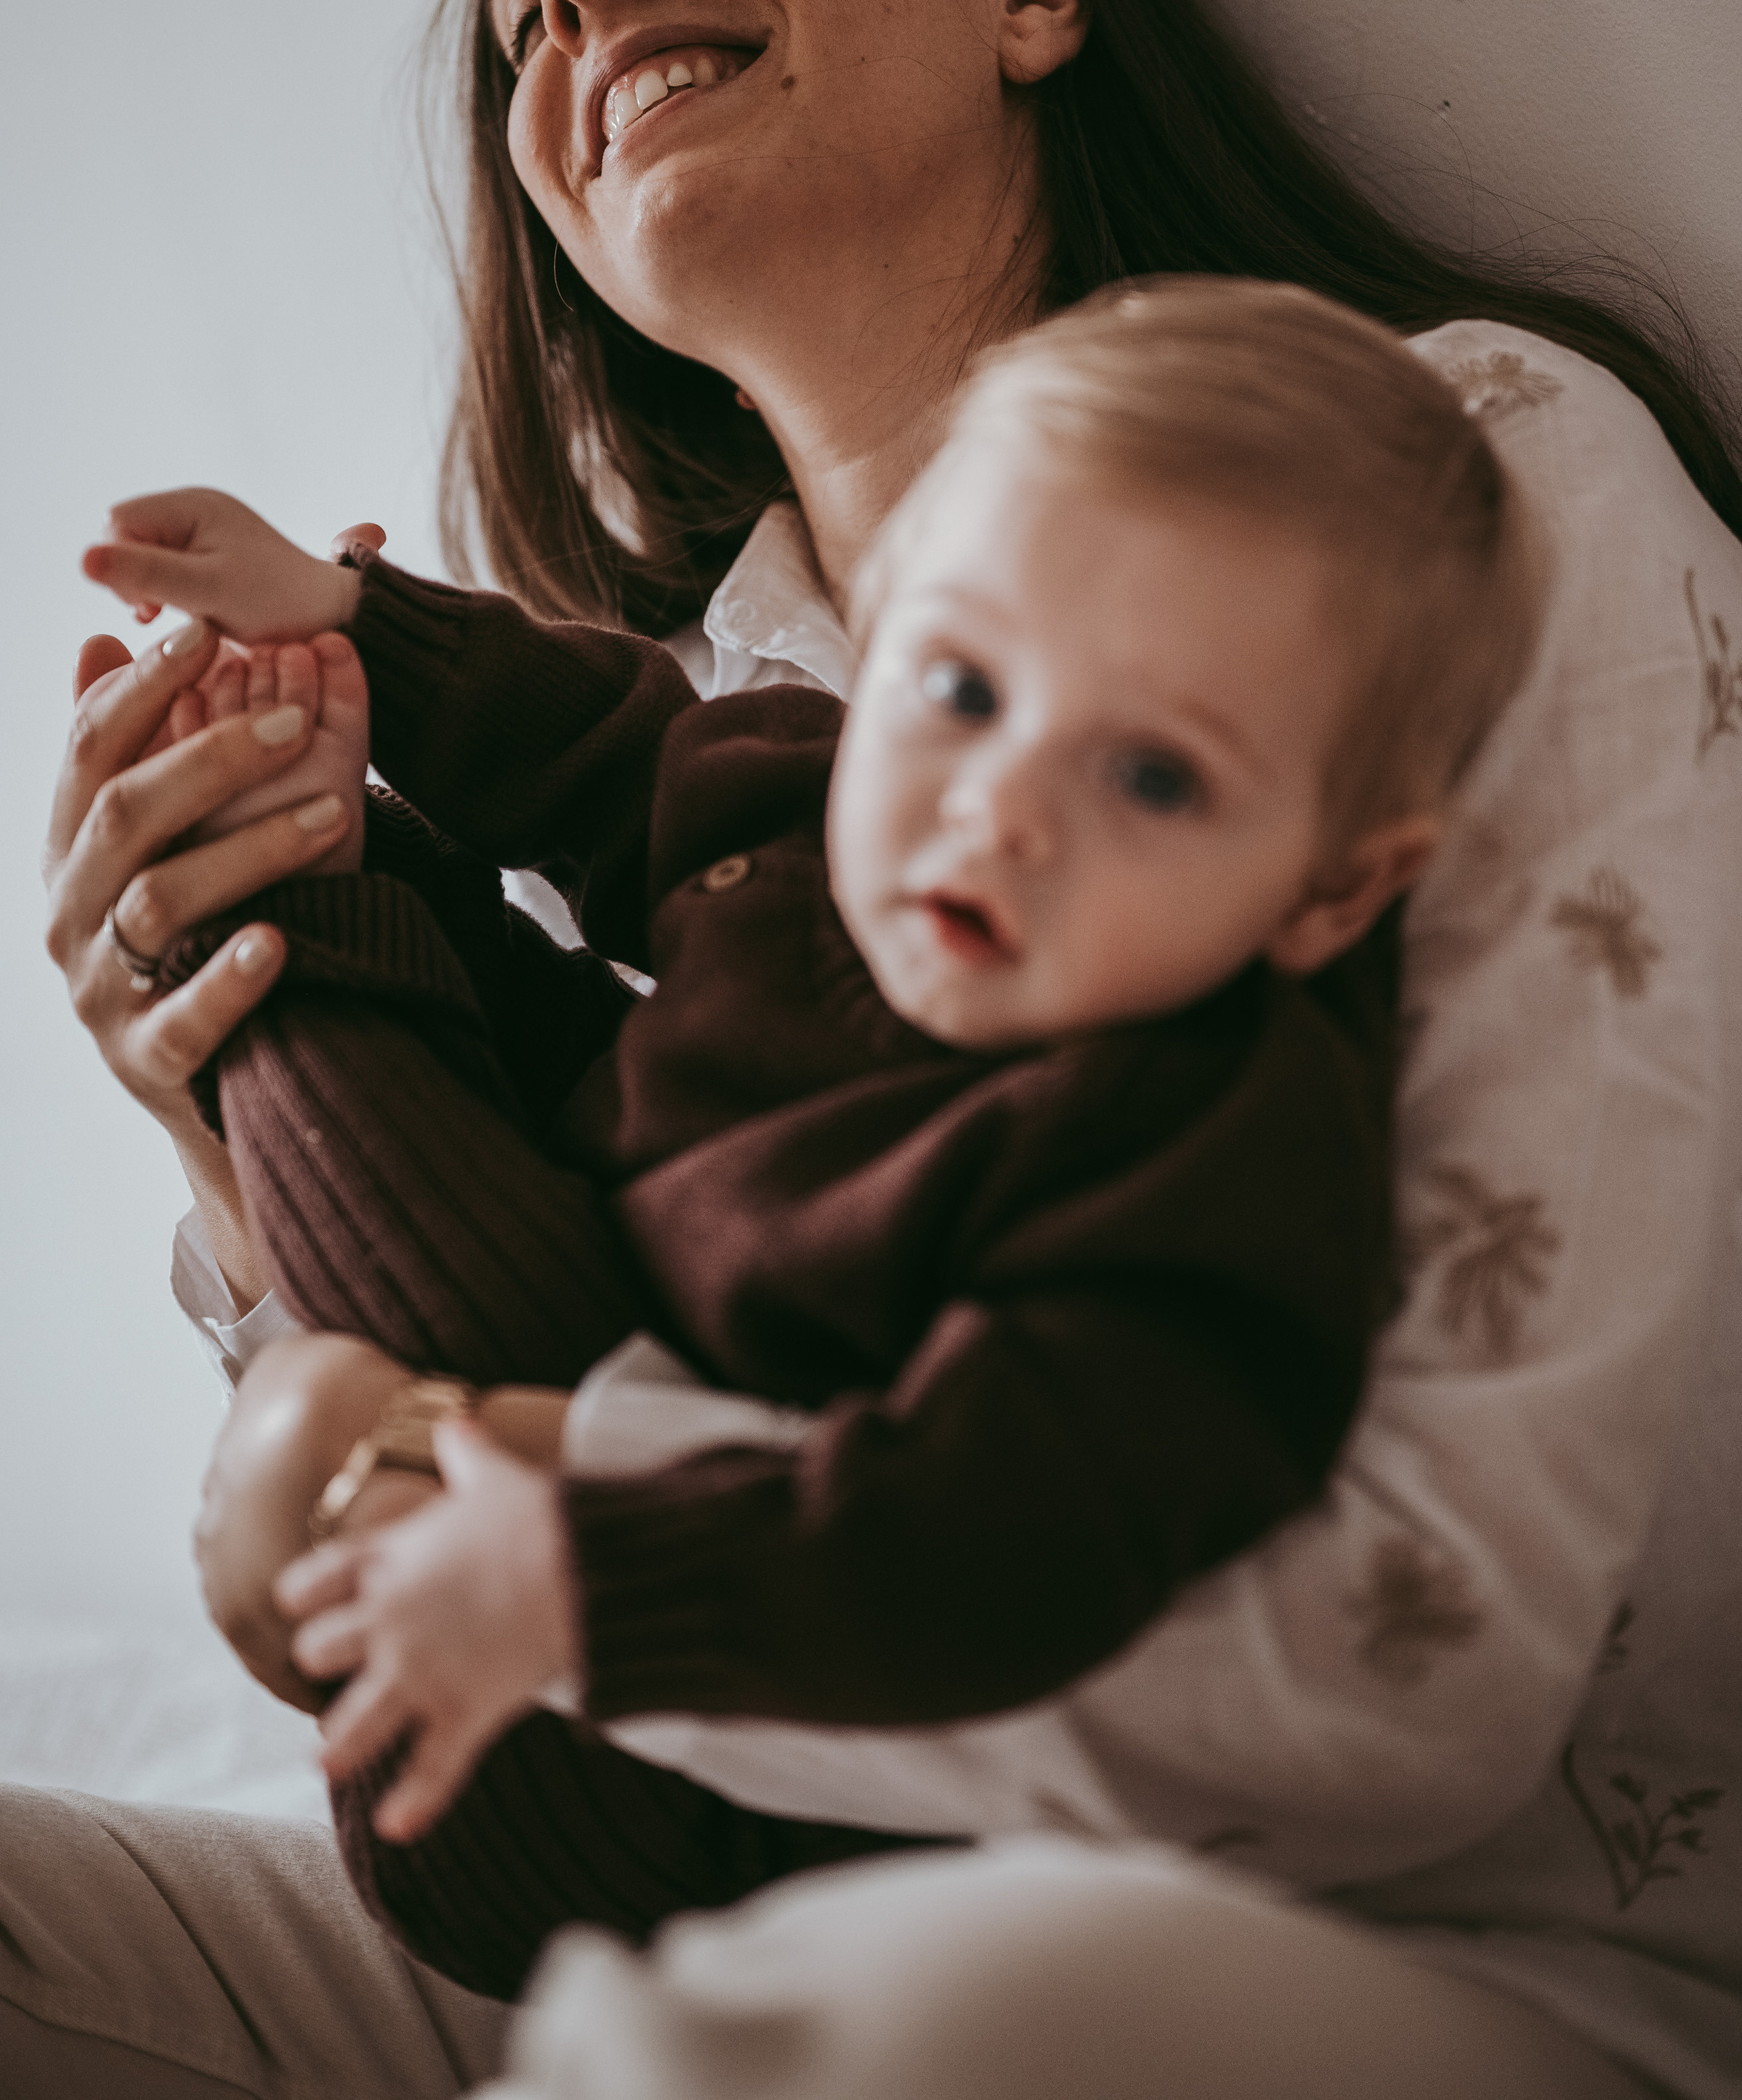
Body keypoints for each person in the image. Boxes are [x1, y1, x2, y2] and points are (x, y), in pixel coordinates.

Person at [19, 0, 1742, 2100]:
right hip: (722, 1839)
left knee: (833, 2037)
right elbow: (478, 1354)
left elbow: (1424, 1666)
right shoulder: (688, 733)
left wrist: (557, 1515)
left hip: (1453, 1944)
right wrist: (233, 1056)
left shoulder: (1449, 482)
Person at [81, 283, 1540, 1997]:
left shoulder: (1199, 1135)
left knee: (305, 1003)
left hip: (700, 1805)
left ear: (1330, 889)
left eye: (1151, 779)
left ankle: (287, 900)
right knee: (416, 932)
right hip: (607, 1250)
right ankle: (294, 851)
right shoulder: (825, 794)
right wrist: (350, 626)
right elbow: (609, 746)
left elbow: (988, 1534)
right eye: (962, 682)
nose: (997, 804)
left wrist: (577, 1576)